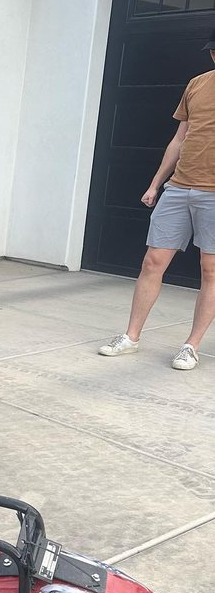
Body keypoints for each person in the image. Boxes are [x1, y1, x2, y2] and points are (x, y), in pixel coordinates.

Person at [99, 33, 215, 370]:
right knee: (152, 261)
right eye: (212, 52)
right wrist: (156, 184)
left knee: (210, 270)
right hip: (179, 187)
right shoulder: (196, 85)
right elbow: (180, 138)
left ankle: (191, 346)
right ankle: (131, 337)